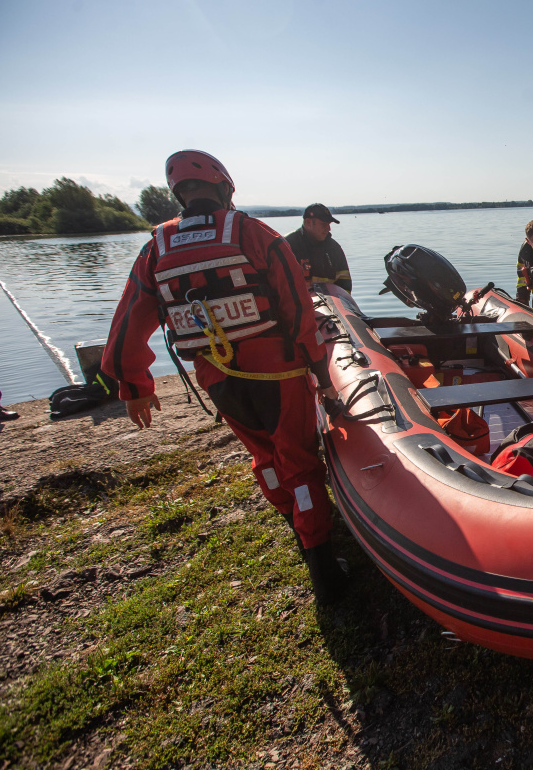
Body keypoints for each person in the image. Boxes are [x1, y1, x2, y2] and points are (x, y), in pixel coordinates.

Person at [101, 150, 349, 605]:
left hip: (217, 376)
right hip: (279, 371)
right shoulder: (254, 234)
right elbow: (298, 311)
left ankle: (294, 527)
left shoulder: (157, 246)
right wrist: (322, 375)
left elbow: (129, 319)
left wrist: (134, 385)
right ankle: (324, 567)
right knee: (298, 460)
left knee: (264, 456)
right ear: (225, 187)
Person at [284, 203, 352, 293]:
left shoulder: (334, 248)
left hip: (331, 304)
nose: (329, 228)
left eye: (329, 224)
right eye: (324, 224)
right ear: (308, 223)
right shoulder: (287, 246)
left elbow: (345, 283)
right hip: (297, 304)